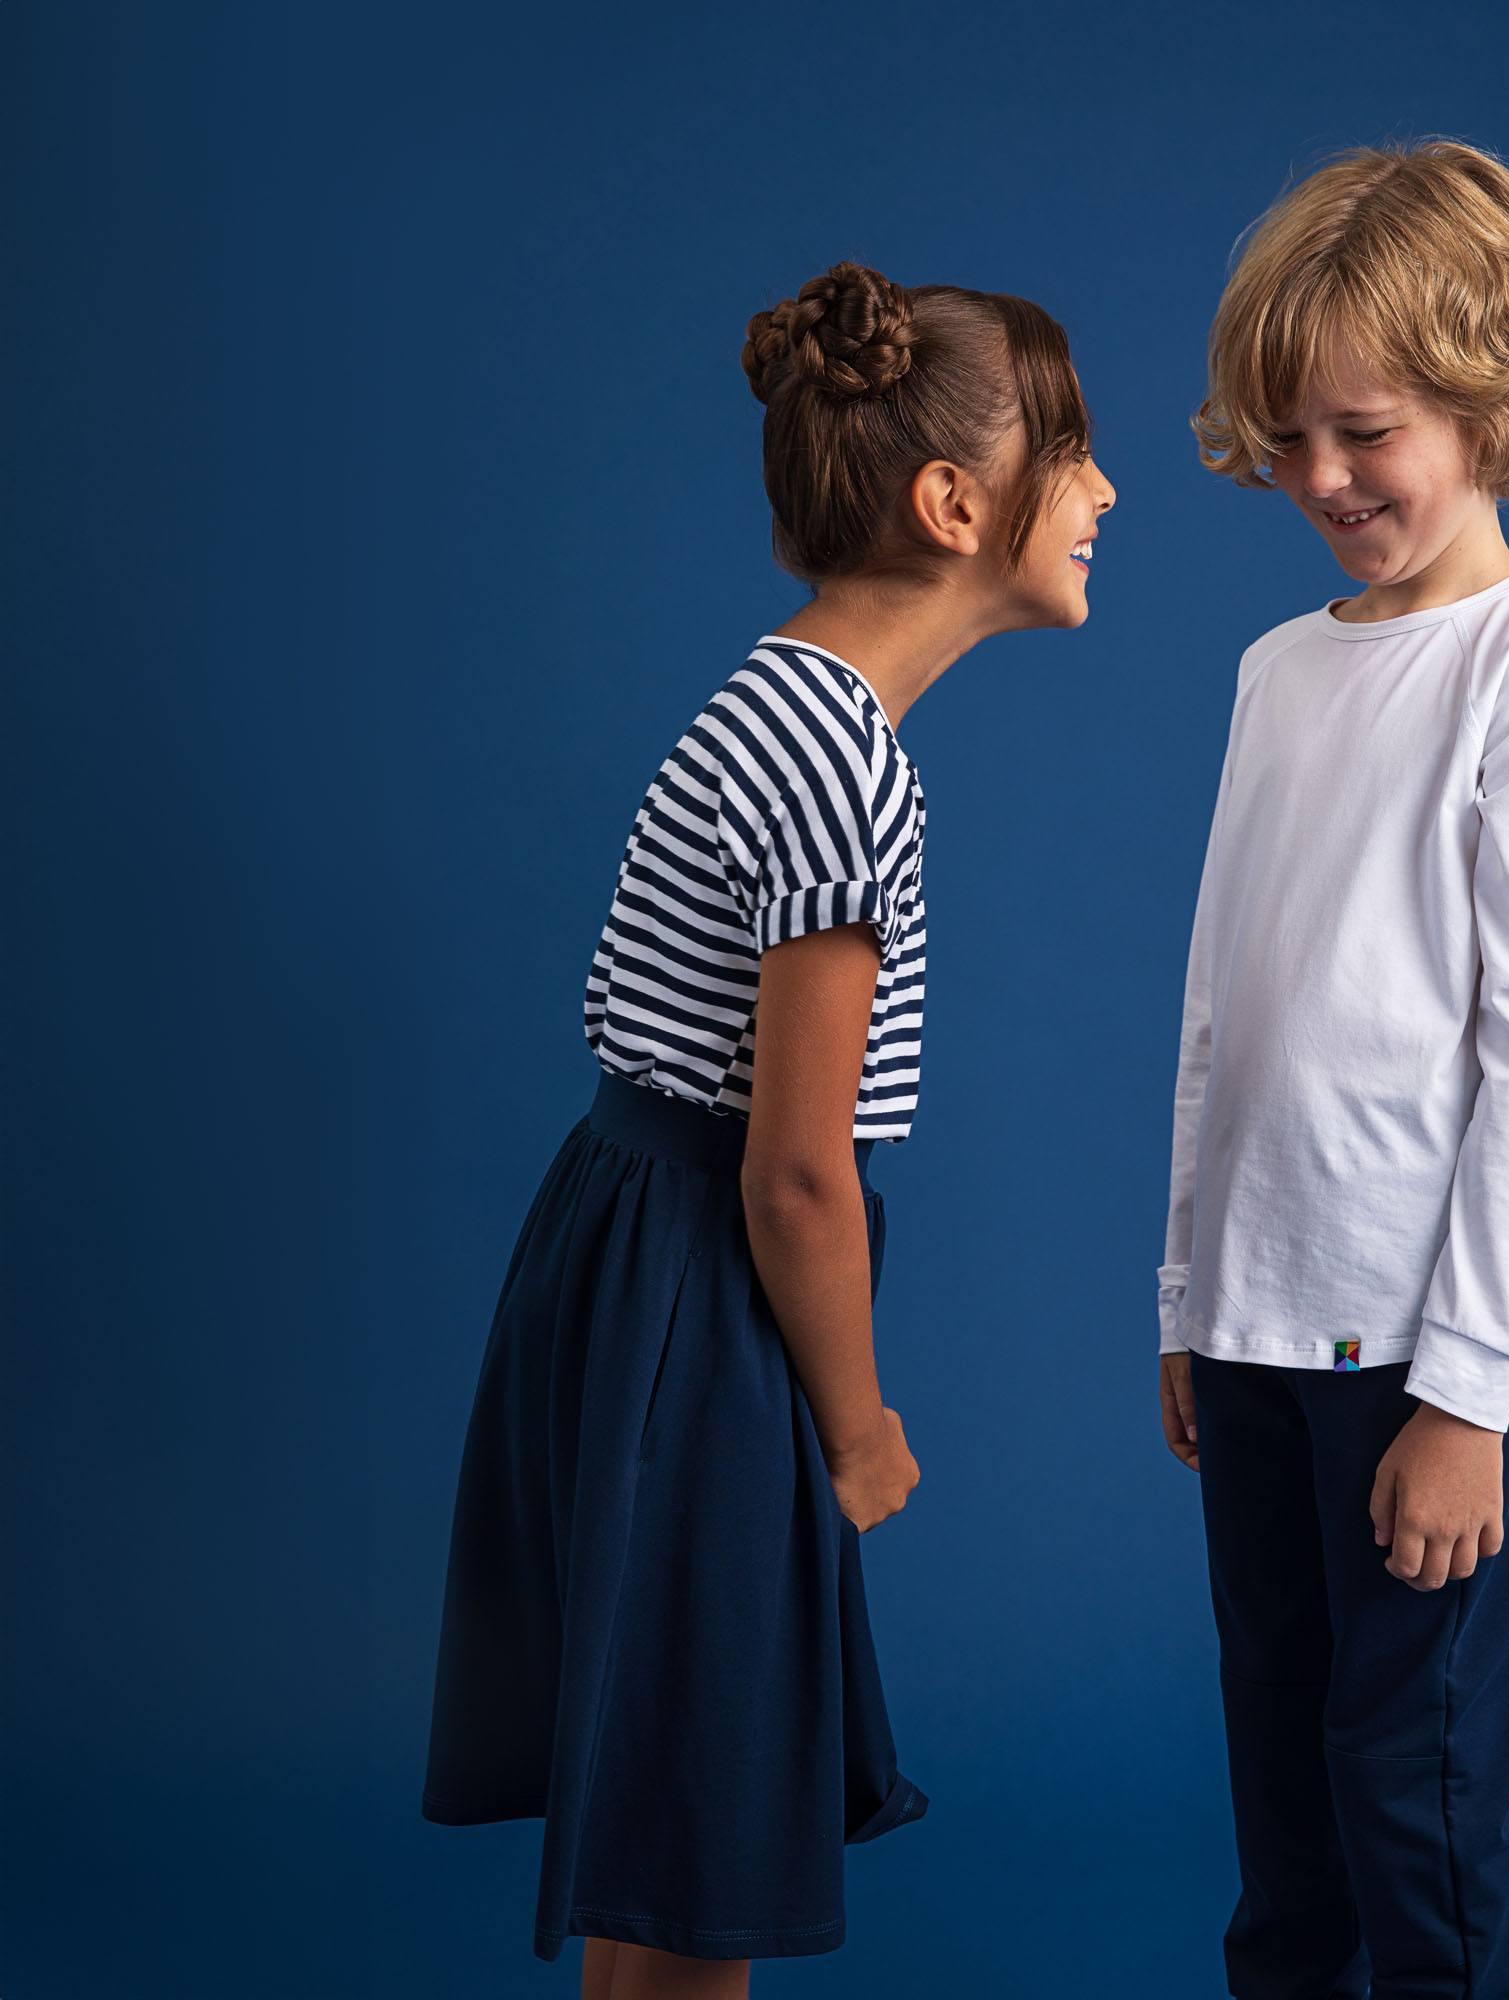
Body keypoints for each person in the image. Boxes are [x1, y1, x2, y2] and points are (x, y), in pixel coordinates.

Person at [422, 258, 1115, 1998]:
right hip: (704, 1302)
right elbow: (798, 1172)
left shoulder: (787, 701)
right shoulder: (841, 763)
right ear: (958, 505)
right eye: (1077, 451)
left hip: (635, 1257)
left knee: (670, 1827)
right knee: (702, 1846)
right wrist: (861, 1424)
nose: (1107, 492)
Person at [1156, 139, 1509, 1999]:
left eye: (1364, 432)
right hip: (1260, 1339)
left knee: (1411, 1801)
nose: (1323, 480)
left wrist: (1470, 1395)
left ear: (1493, 399)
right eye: (1288, 441)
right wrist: (1190, 1296)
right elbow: (1226, 1007)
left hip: (1423, 1356)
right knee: (1282, 1796)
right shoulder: (1281, 671)